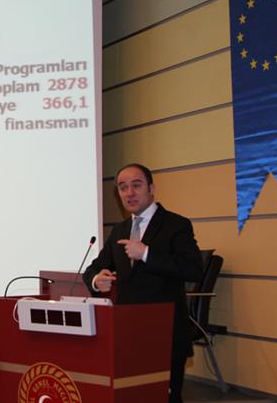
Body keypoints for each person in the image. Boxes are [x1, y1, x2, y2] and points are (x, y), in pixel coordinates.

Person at [83, 163, 203, 403]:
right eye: (123, 187)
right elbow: (94, 268)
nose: (129, 193)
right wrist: (97, 280)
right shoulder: (120, 230)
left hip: (164, 333)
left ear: (151, 188)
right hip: (128, 334)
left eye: (136, 185)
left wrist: (146, 253)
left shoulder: (175, 224)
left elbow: (193, 268)